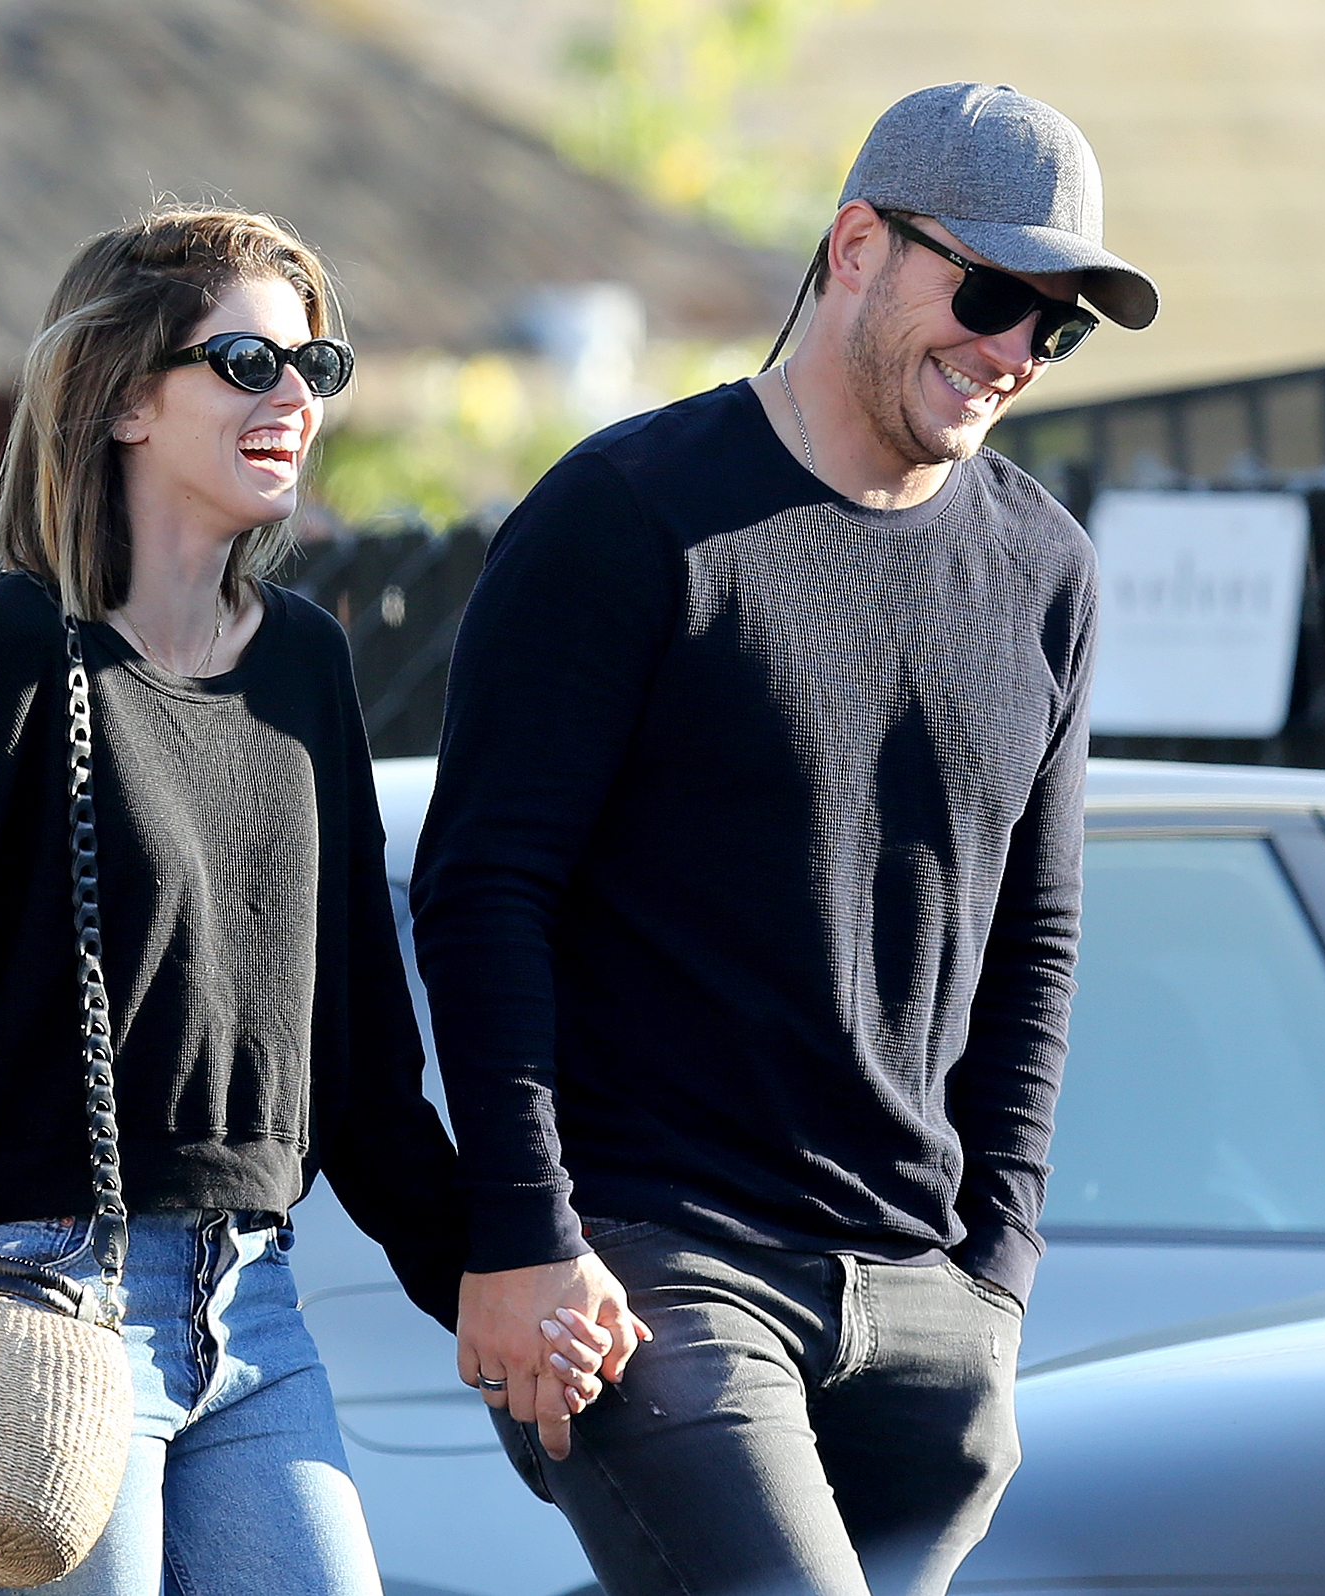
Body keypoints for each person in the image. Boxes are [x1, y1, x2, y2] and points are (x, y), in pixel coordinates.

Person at [0, 207, 602, 1596]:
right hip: (38, 1299)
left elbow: (359, 1064)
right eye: (245, 363)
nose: (293, 398)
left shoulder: (306, 666)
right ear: (122, 399)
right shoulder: (8, 655)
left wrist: (496, 1276)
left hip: (254, 1305)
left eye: (313, 368)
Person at [410, 85, 1159, 1596]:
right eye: (991, 294)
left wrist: (995, 1276)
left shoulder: (1045, 569)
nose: (1014, 351)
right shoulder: (625, 513)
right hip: (660, 1277)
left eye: (1057, 326)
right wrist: (528, 1232)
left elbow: (1035, 938)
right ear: (857, 247)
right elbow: (483, 886)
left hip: (924, 1301)